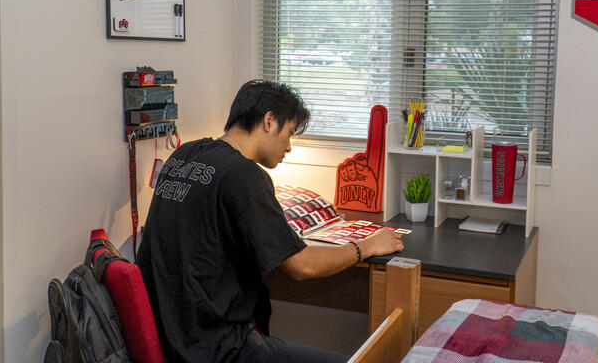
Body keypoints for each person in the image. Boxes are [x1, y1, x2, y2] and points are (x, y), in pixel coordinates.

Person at [137, 79, 404, 363]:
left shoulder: (183, 154)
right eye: (288, 133)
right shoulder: (243, 175)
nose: (288, 147)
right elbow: (302, 265)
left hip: (169, 338)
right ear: (268, 121)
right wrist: (365, 246)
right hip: (217, 348)